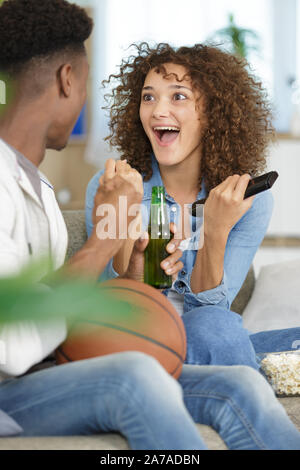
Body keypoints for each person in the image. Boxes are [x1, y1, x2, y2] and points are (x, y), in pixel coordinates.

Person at [0, 0, 300, 451]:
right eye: (147, 96)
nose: (157, 109)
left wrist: (211, 232)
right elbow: (93, 318)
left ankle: (258, 363)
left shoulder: (37, 189)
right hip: (126, 344)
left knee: (233, 357)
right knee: (215, 332)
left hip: (166, 334)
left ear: (212, 114)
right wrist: (119, 244)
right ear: (68, 80)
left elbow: (47, 307)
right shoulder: (118, 190)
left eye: (178, 96)